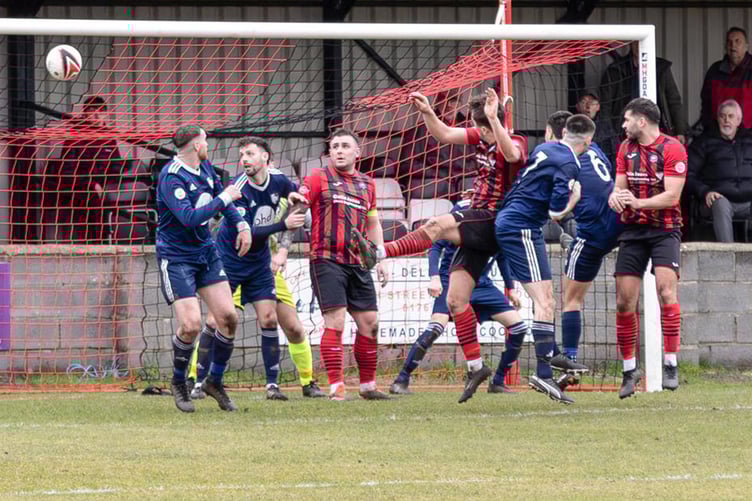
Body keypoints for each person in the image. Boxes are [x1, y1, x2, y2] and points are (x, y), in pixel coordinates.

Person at [354, 88, 527, 403]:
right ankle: (476, 366)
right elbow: (445, 133)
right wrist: (427, 112)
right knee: (456, 302)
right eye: (481, 129)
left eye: (486, 129)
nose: (481, 135)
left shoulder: (513, 141)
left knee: (434, 225)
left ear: (495, 124)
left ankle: (378, 252)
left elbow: (513, 156)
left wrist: (493, 120)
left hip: (493, 218)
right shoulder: (481, 135)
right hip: (478, 227)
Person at [192, 137, 325, 401]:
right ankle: (196, 381)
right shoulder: (238, 187)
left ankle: (278, 385)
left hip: (260, 264)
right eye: (241, 155)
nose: (244, 159)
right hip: (229, 262)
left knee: (272, 319)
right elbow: (249, 231)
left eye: (250, 153)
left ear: (265, 157)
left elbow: (296, 198)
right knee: (214, 321)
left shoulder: (278, 180)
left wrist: (295, 201)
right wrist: (282, 226)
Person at [494, 113, 596, 405]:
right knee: (546, 301)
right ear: (587, 142)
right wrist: (574, 198)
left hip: (519, 223)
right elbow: (555, 211)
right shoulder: (571, 163)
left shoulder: (544, 148)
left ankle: (550, 358)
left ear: (563, 132)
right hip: (521, 227)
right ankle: (542, 371)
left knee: (548, 298)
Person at [155, 124, 251, 413]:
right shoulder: (171, 177)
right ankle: (178, 381)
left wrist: (241, 223)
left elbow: (222, 197)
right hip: (177, 258)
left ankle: (215, 381)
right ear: (197, 145)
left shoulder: (205, 167)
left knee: (228, 317)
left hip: (205, 254)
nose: (207, 145)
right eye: (205, 140)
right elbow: (188, 217)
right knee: (192, 325)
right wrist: (226, 199)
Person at [389, 198, 527, 395]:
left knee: (519, 327)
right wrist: (434, 277)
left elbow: (502, 255)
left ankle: (497, 382)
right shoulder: (463, 209)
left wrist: (510, 287)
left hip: (483, 285)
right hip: (450, 281)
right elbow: (436, 246)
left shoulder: (500, 214)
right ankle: (401, 380)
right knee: (435, 328)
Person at [300, 128, 390, 401]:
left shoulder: (367, 184)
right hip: (326, 258)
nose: (338, 150)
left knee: (370, 322)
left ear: (356, 153)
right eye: (334, 146)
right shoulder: (318, 177)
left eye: (344, 146)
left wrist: (381, 256)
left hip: (358, 261)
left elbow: (373, 223)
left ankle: (368, 387)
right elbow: (299, 203)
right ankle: (337, 387)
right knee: (335, 321)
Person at [608, 98, 687, 399]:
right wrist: (615, 198)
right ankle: (629, 370)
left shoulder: (672, 148)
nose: (623, 125)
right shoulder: (624, 148)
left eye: (627, 119)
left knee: (666, 291)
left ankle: (670, 363)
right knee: (624, 300)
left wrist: (638, 202)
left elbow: (672, 197)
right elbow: (619, 188)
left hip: (665, 230)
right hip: (633, 230)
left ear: (642, 121)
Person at [543, 112, 624, 390]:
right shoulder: (594, 147)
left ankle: (570, 362)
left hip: (593, 235)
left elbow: (554, 212)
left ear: (554, 135)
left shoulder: (559, 159)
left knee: (570, 299)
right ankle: (631, 366)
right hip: (620, 222)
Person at [44, 96, 126, 243]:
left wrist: (106, 185)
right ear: (84, 113)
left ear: (106, 114)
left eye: (100, 112)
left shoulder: (109, 137)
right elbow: (67, 172)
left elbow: (116, 166)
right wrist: (92, 184)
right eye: (92, 111)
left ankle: (115, 240)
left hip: (102, 187)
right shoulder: (74, 136)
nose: (96, 115)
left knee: (112, 197)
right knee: (94, 198)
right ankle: (97, 244)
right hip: (77, 187)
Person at [688, 99, 752, 242]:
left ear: (739, 120)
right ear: (717, 119)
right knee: (721, 203)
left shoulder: (749, 141)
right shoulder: (703, 142)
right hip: (717, 201)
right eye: (722, 116)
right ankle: (727, 256)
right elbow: (688, 174)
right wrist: (705, 191)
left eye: (730, 116)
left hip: (748, 201)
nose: (726, 120)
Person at [599, 42, 688, 144]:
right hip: (624, 130)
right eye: (636, 44)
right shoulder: (616, 69)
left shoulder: (661, 68)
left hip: (657, 128)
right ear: (630, 45)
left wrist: (680, 130)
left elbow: (673, 100)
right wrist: (607, 133)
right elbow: (605, 104)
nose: (639, 47)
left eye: (643, 43)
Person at [701, 27, 752, 130]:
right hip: (719, 135)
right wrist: (708, 128)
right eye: (729, 42)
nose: (733, 46)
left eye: (738, 41)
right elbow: (706, 104)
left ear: (746, 46)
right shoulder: (715, 71)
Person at [575, 92, 618, 166]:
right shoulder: (571, 127)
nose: (588, 106)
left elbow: (614, 152)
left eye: (591, 103)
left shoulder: (606, 128)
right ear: (577, 106)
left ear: (598, 107)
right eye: (584, 102)